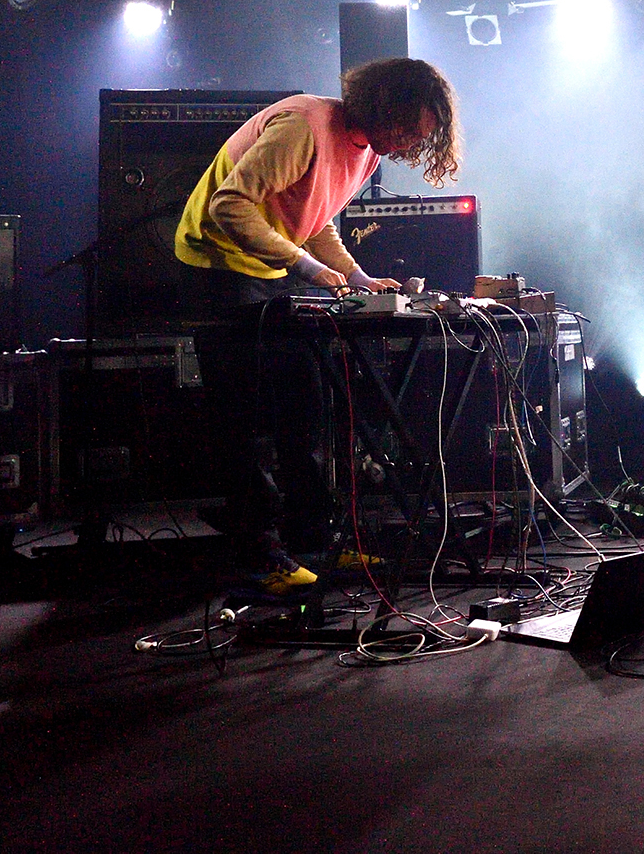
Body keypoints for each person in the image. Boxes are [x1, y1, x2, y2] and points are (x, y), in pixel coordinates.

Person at [175, 57, 460, 593]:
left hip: (269, 267)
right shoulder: (303, 127)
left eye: (418, 136)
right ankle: (260, 556)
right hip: (218, 264)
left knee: (303, 408)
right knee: (248, 420)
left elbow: (314, 214)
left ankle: (313, 542)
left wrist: (355, 275)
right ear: (383, 104)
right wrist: (308, 269)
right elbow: (228, 206)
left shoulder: (367, 152)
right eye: (405, 128)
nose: (408, 143)